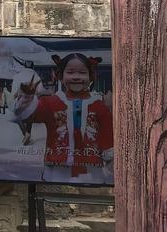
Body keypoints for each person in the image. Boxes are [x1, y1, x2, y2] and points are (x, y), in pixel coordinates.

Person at [11, 53, 113, 183]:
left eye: (82, 73)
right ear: (61, 76)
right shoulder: (51, 103)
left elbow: (106, 136)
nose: (76, 77)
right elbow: (28, 115)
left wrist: (110, 161)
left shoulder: (98, 105)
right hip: (57, 174)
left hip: (91, 174)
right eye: (70, 72)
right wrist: (26, 99)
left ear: (90, 76)